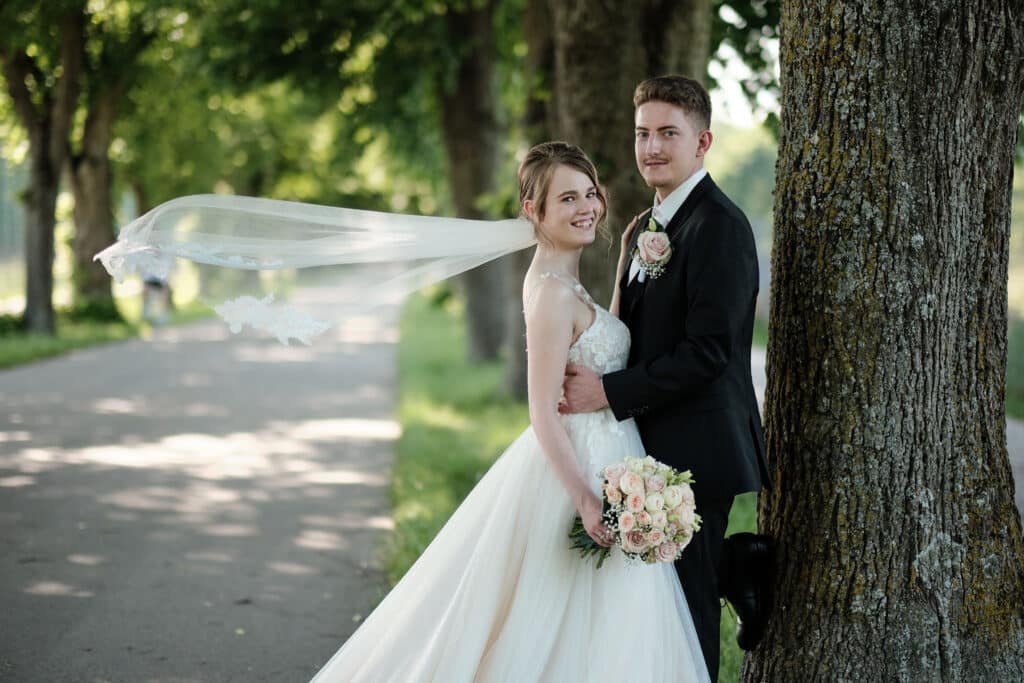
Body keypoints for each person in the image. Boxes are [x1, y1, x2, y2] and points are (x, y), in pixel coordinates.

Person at [308, 142, 709, 682]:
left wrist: (619, 277)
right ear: (532, 210)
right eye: (567, 198)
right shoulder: (548, 293)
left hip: (610, 454)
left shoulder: (567, 282)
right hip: (578, 466)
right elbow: (541, 411)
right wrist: (587, 499)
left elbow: (603, 342)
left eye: (589, 192)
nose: (587, 206)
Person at [561, 75, 773, 681]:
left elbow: (710, 353)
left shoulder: (721, 228)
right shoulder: (640, 229)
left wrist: (606, 392)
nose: (652, 147)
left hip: (699, 448)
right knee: (651, 607)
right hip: (646, 445)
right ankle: (735, 564)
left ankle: (735, 568)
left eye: (668, 134)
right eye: (643, 133)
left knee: (688, 607)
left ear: (702, 142)